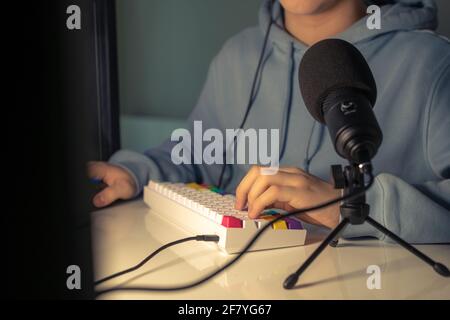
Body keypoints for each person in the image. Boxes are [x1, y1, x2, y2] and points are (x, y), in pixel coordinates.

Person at [88, 0, 450, 243]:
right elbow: (196, 155)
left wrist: (348, 204)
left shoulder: (432, 63)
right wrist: (137, 171)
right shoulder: (237, 56)